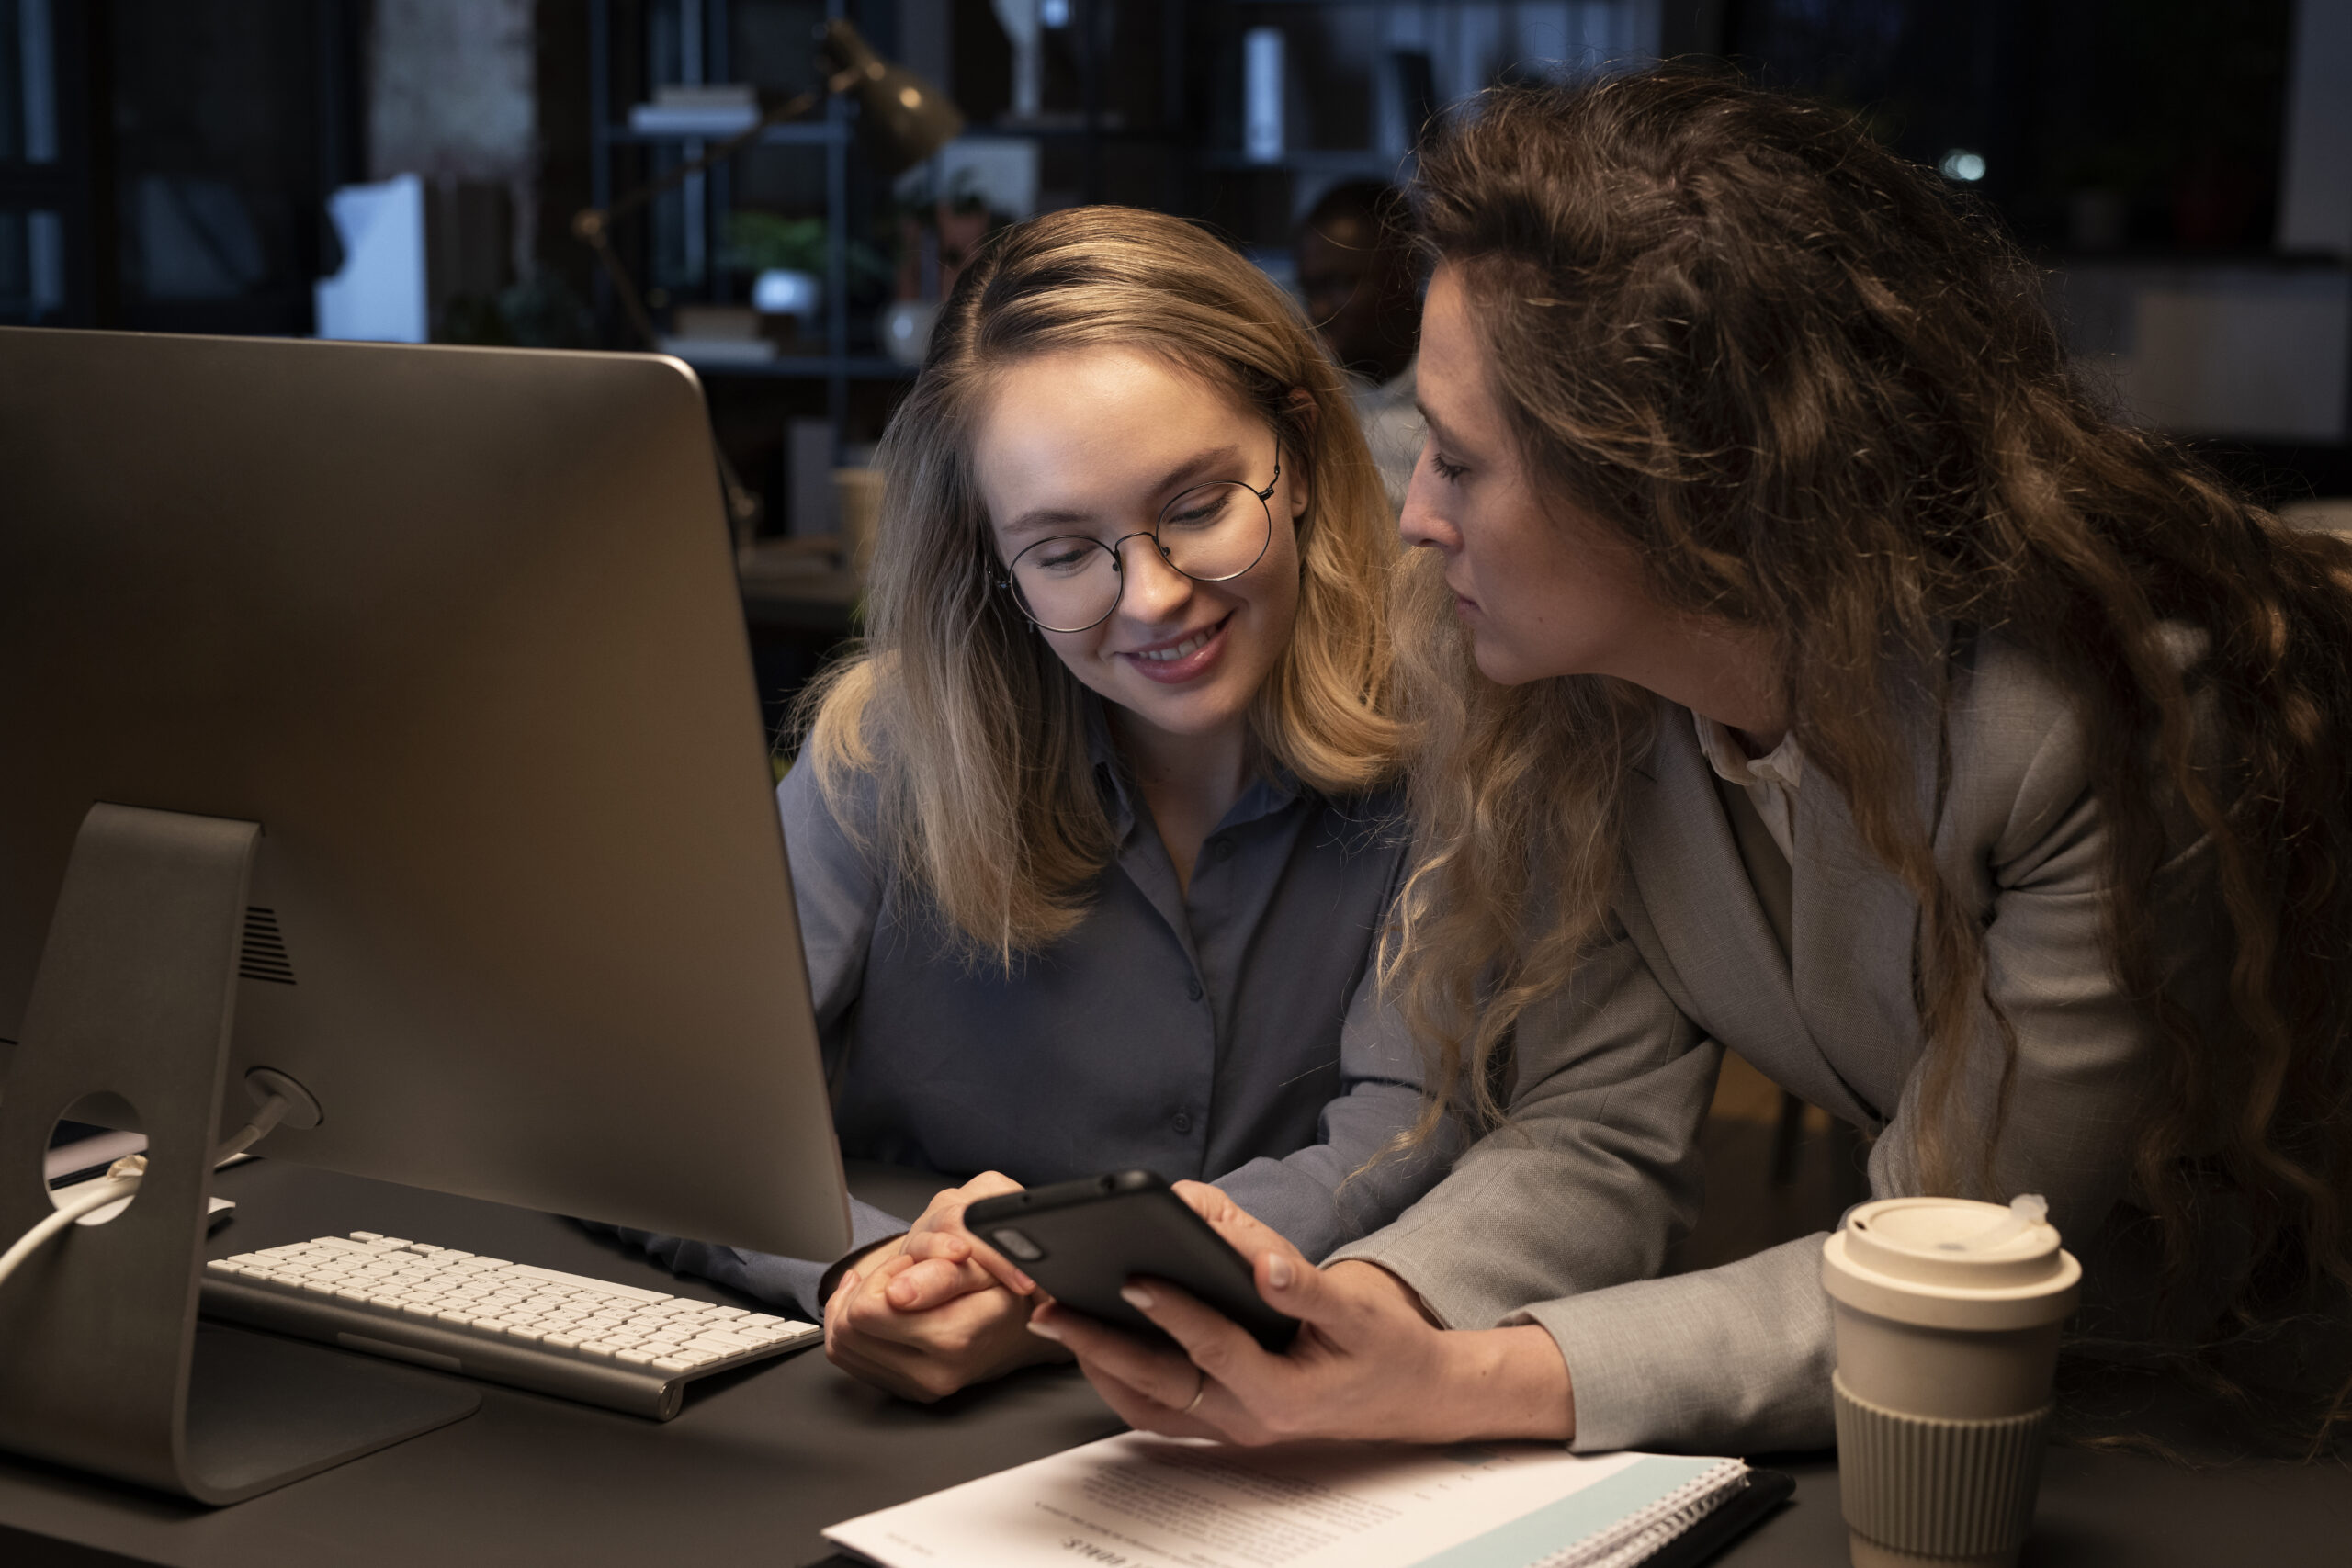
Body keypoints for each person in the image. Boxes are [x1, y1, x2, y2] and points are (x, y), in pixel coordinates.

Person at [1031, 73, 2352, 1456]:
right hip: (1994, 1423)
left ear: (1675, 479)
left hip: (2259, 1416)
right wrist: (1361, 1311)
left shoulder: (2095, 718)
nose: (1414, 516)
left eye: (1465, 465)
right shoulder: (1573, 697)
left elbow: (1953, 1264)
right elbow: (1592, 1125)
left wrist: (1458, 1385)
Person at [602, 206, 1452, 1403]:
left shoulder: (1453, 749)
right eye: (1061, 550)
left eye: (1201, 505)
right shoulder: (883, 753)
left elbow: (1406, 1135)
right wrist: (872, 1262)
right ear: (991, 561)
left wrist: (1069, 1280)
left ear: (1299, 458)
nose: (1152, 596)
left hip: (1277, 1416)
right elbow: (662, 1107)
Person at [1295, 181, 1425, 511]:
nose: (1320, 310)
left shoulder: (1472, 378)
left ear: (1405, 270)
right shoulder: (1306, 389)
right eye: (1312, 289)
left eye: (1342, 283)